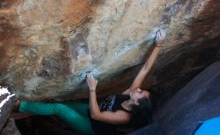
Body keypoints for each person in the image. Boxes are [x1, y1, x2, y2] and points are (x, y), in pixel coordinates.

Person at [17, 29, 166, 135]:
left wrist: (92, 89)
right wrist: (158, 45)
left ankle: (19, 106)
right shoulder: (130, 94)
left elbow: (97, 116)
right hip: (90, 109)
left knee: (59, 108)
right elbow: (145, 69)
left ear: (137, 104)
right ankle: (32, 112)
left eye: (139, 93)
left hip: (92, 126)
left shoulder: (124, 116)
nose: (138, 90)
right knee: (64, 105)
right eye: (140, 90)